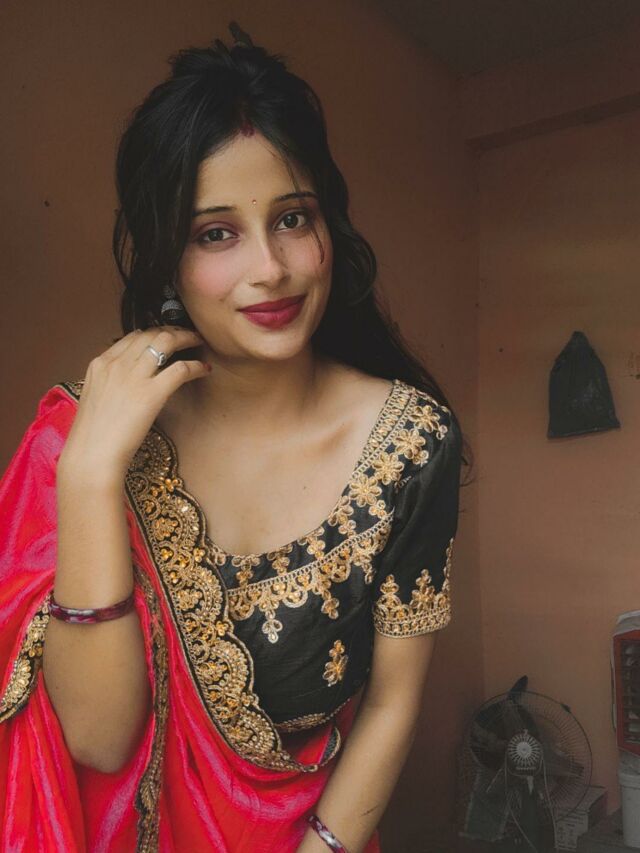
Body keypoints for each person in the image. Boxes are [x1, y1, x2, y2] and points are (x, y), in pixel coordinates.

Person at [0, 22, 469, 853]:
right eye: (216, 232)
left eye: (292, 218)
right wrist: (89, 475)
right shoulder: (85, 436)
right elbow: (99, 741)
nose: (271, 268)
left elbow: (392, 703)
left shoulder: (407, 444)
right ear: (166, 258)